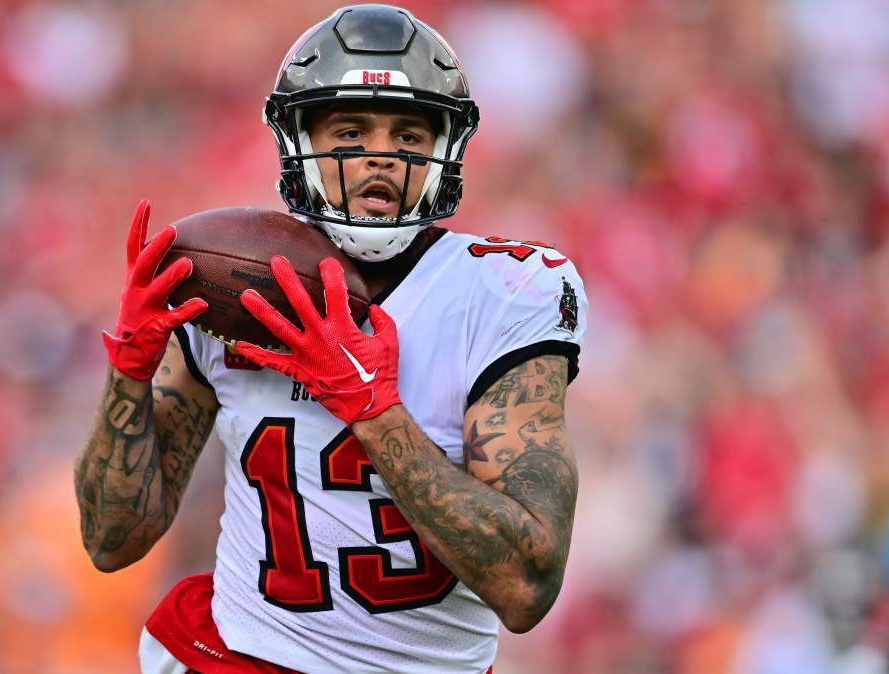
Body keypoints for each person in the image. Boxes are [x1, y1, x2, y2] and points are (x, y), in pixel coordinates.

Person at [74, 5, 589, 673]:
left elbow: (526, 588)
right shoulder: (236, 286)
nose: (381, 156)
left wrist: (375, 412)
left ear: (444, 149)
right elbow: (111, 541)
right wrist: (130, 372)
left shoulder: (502, 292)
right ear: (299, 139)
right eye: (350, 131)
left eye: (408, 134)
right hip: (244, 656)